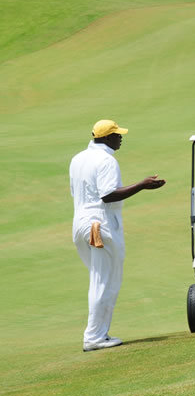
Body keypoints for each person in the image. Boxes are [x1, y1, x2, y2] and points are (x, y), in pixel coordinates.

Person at [69, 120, 166, 351]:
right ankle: (94, 337)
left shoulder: (78, 159)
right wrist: (142, 185)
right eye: (116, 135)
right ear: (106, 138)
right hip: (99, 226)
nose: (120, 138)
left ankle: (97, 334)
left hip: (80, 224)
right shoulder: (106, 160)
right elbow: (108, 195)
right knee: (104, 281)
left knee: (99, 279)